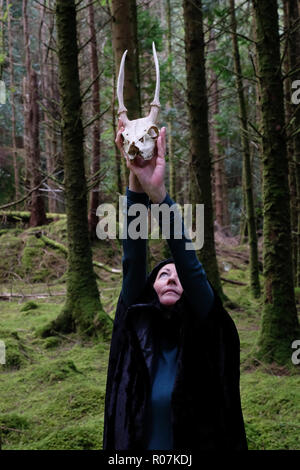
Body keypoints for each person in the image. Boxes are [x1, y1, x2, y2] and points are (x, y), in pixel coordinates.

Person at [103, 121, 248, 451]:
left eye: (178, 276)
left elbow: (189, 264)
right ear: (150, 288)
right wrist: (135, 174)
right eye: (163, 274)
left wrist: (160, 196)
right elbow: (134, 258)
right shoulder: (134, 327)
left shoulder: (205, 328)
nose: (172, 277)